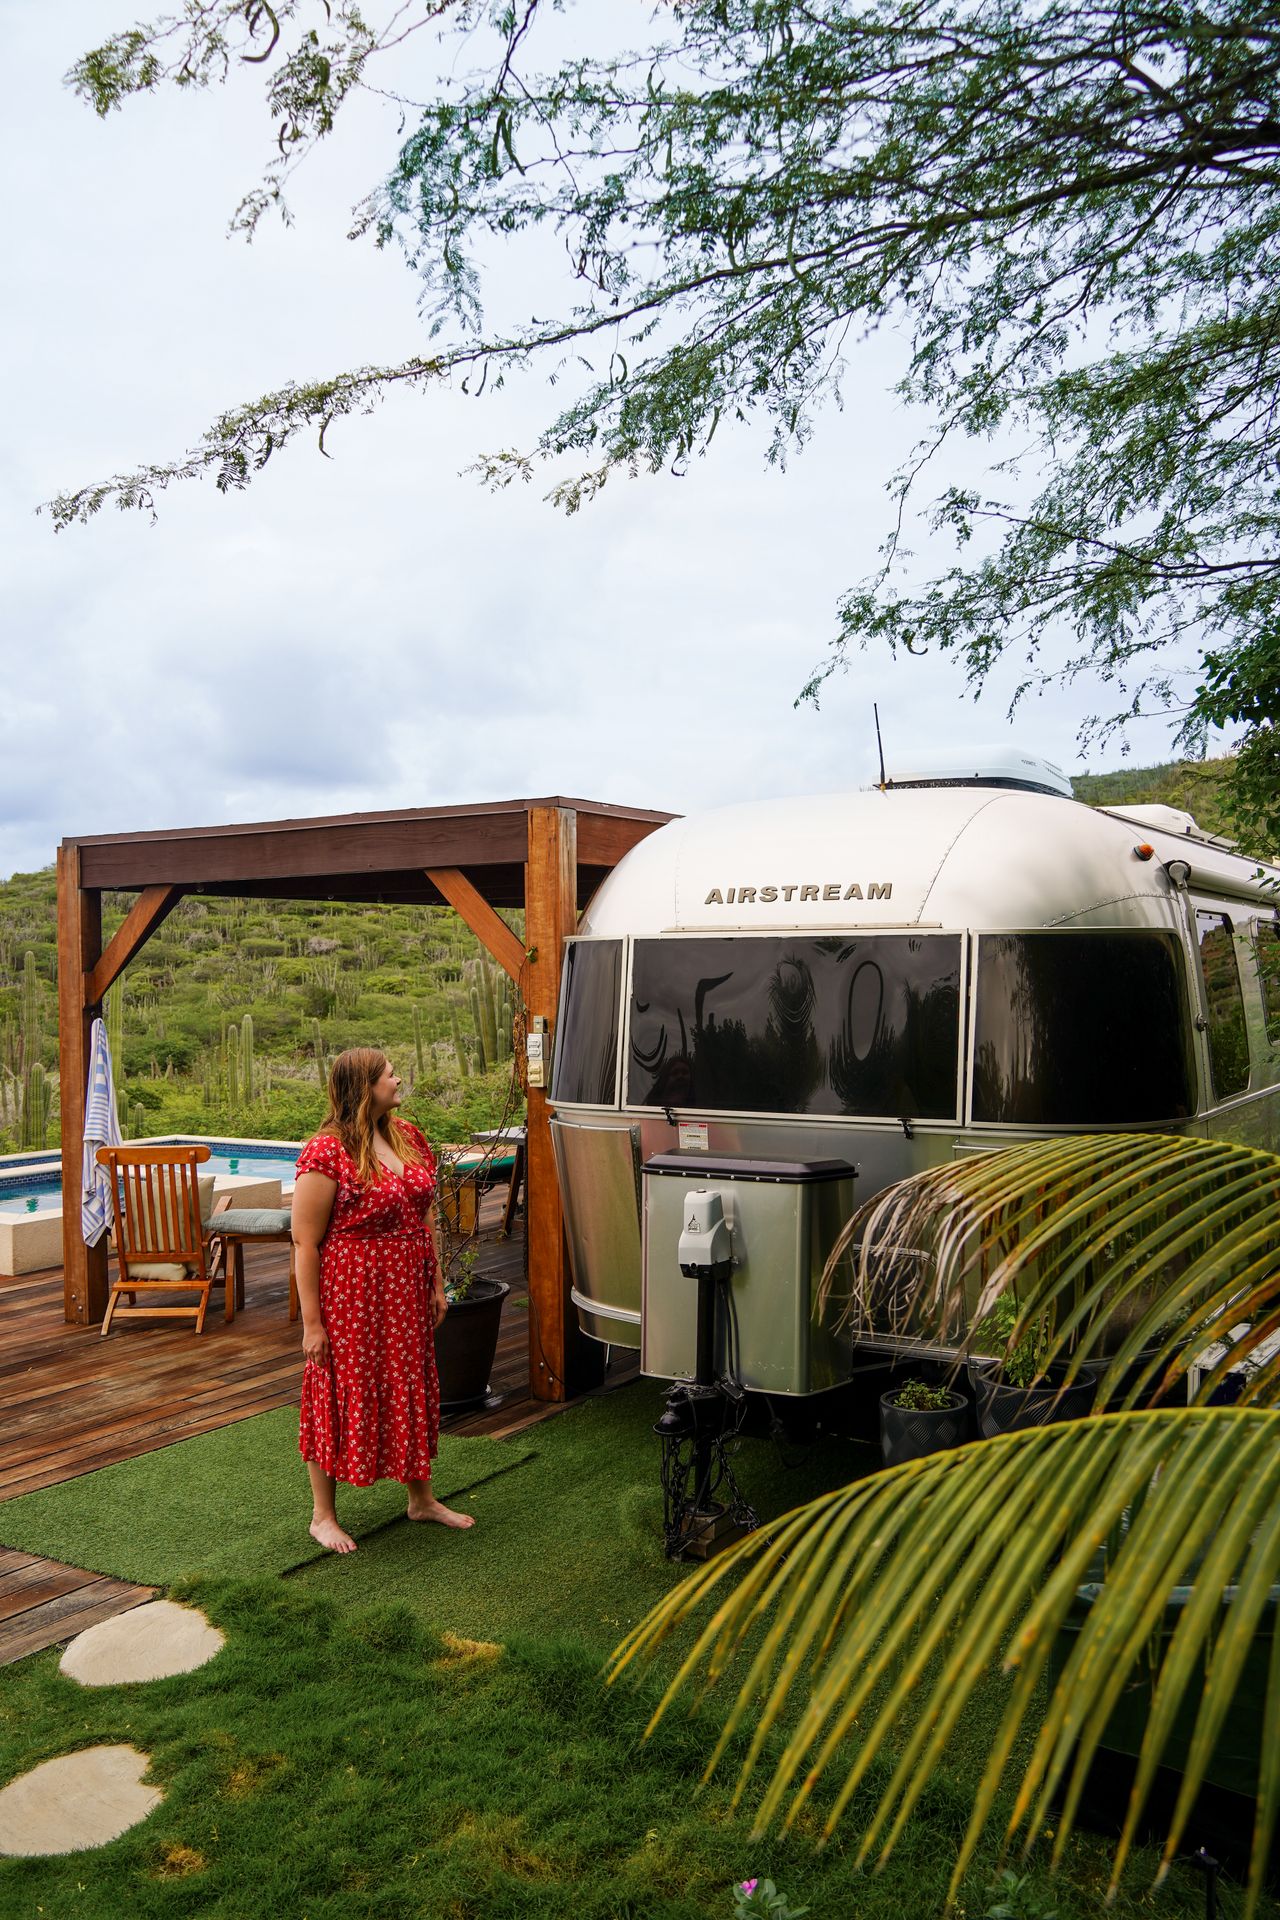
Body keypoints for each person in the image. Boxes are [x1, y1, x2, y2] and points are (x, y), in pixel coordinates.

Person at [291, 1046, 476, 1552]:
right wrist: (312, 1324)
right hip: (351, 1292)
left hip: (405, 1288)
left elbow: (426, 1215)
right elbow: (305, 1242)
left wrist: (436, 1281)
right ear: (365, 1087)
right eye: (390, 1074)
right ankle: (322, 1516)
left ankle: (421, 1499)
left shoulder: (407, 1136)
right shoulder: (327, 1152)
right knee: (339, 1385)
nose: (399, 1079)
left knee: (407, 1380)